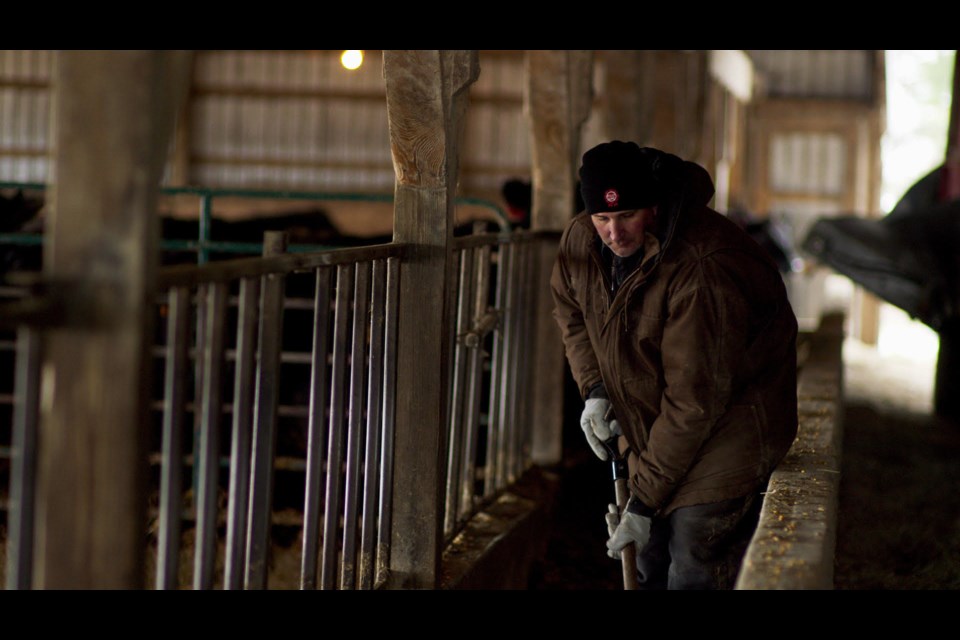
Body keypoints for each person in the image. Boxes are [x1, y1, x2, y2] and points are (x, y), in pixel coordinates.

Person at [550, 141, 799, 590]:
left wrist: (643, 503)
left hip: (732, 422)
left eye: (627, 215)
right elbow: (571, 311)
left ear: (654, 207)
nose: (614, 233)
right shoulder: (582, 242)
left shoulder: (702, 267)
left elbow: (694, 400)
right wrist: (595, 391)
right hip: (654, 417)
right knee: (645, 555)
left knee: (693, 553)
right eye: (602, 218)